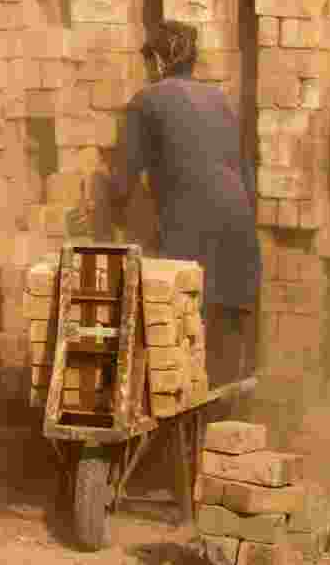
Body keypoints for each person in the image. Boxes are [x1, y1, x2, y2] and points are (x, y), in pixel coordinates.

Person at [110, 21, 262, 390]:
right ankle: (223, 429)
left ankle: (182, 432)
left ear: (160, 61)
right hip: (240, 235)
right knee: (223, 345)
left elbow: (122, 180)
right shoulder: (221, 101)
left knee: (177, 336)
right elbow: (247, 178)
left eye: (149, 62)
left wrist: (109, 216)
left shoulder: (146, 101)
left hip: (191, 232)